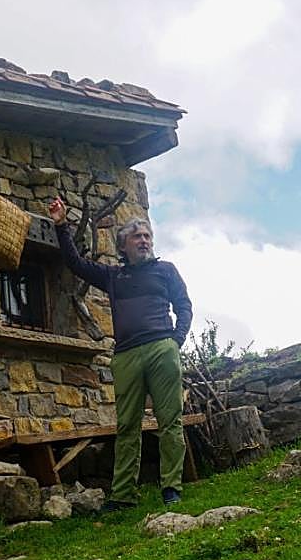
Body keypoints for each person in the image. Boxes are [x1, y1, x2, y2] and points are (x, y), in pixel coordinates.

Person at [47, 199, 193, 508]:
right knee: (127, 425)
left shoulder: (165, 270)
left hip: (161, 348)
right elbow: (75, 264)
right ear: (123, 246)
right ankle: (124, 495)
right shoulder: (114, 276)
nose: (144, 241)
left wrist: (174, 341)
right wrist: (61, 225)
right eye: (137, 237)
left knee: (170, 420)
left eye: (147, 236)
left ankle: (171, 489)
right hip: (126, 354)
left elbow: (184, 306)